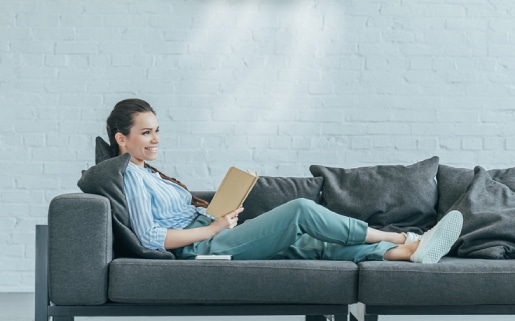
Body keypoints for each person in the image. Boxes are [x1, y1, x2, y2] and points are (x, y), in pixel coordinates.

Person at [106, 98, 462, 263]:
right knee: (301, 211)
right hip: (199, 248)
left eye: (157, 131)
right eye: (146, 133)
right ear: (122, 138)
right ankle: (401, 236)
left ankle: (408, 253)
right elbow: (152, 238)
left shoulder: (149, 173)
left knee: (311, 241)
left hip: (210, 232)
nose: (155, 139)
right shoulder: (130, 178)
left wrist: (216, 214)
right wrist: (213, 228)